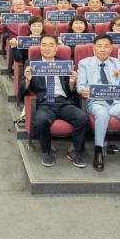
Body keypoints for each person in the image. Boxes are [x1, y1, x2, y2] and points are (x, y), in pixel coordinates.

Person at [77, 34, 120, 171]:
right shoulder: (84, 63)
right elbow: (80, 85)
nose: (103, 49)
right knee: (102, 114)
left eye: (106, 46)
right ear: (94, 48)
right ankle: (98, 151)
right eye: (99, 46)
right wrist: (83, 91)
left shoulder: (116, 63)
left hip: (116, 102)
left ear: (111, 48)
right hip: (96, 102)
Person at [25, 34, 86, 168]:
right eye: (44, 45)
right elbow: (22, 92)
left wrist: (71, 83)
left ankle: (75, 151)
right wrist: (28, 79)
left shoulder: (65, 63)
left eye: (51, 45)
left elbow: (72, 91)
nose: (47, 48)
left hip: (64, 101)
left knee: (82, 118)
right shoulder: (31, 64)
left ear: (57, 47)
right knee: (40, 121)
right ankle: (47, 151)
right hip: (45, 102)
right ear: (40, 47)